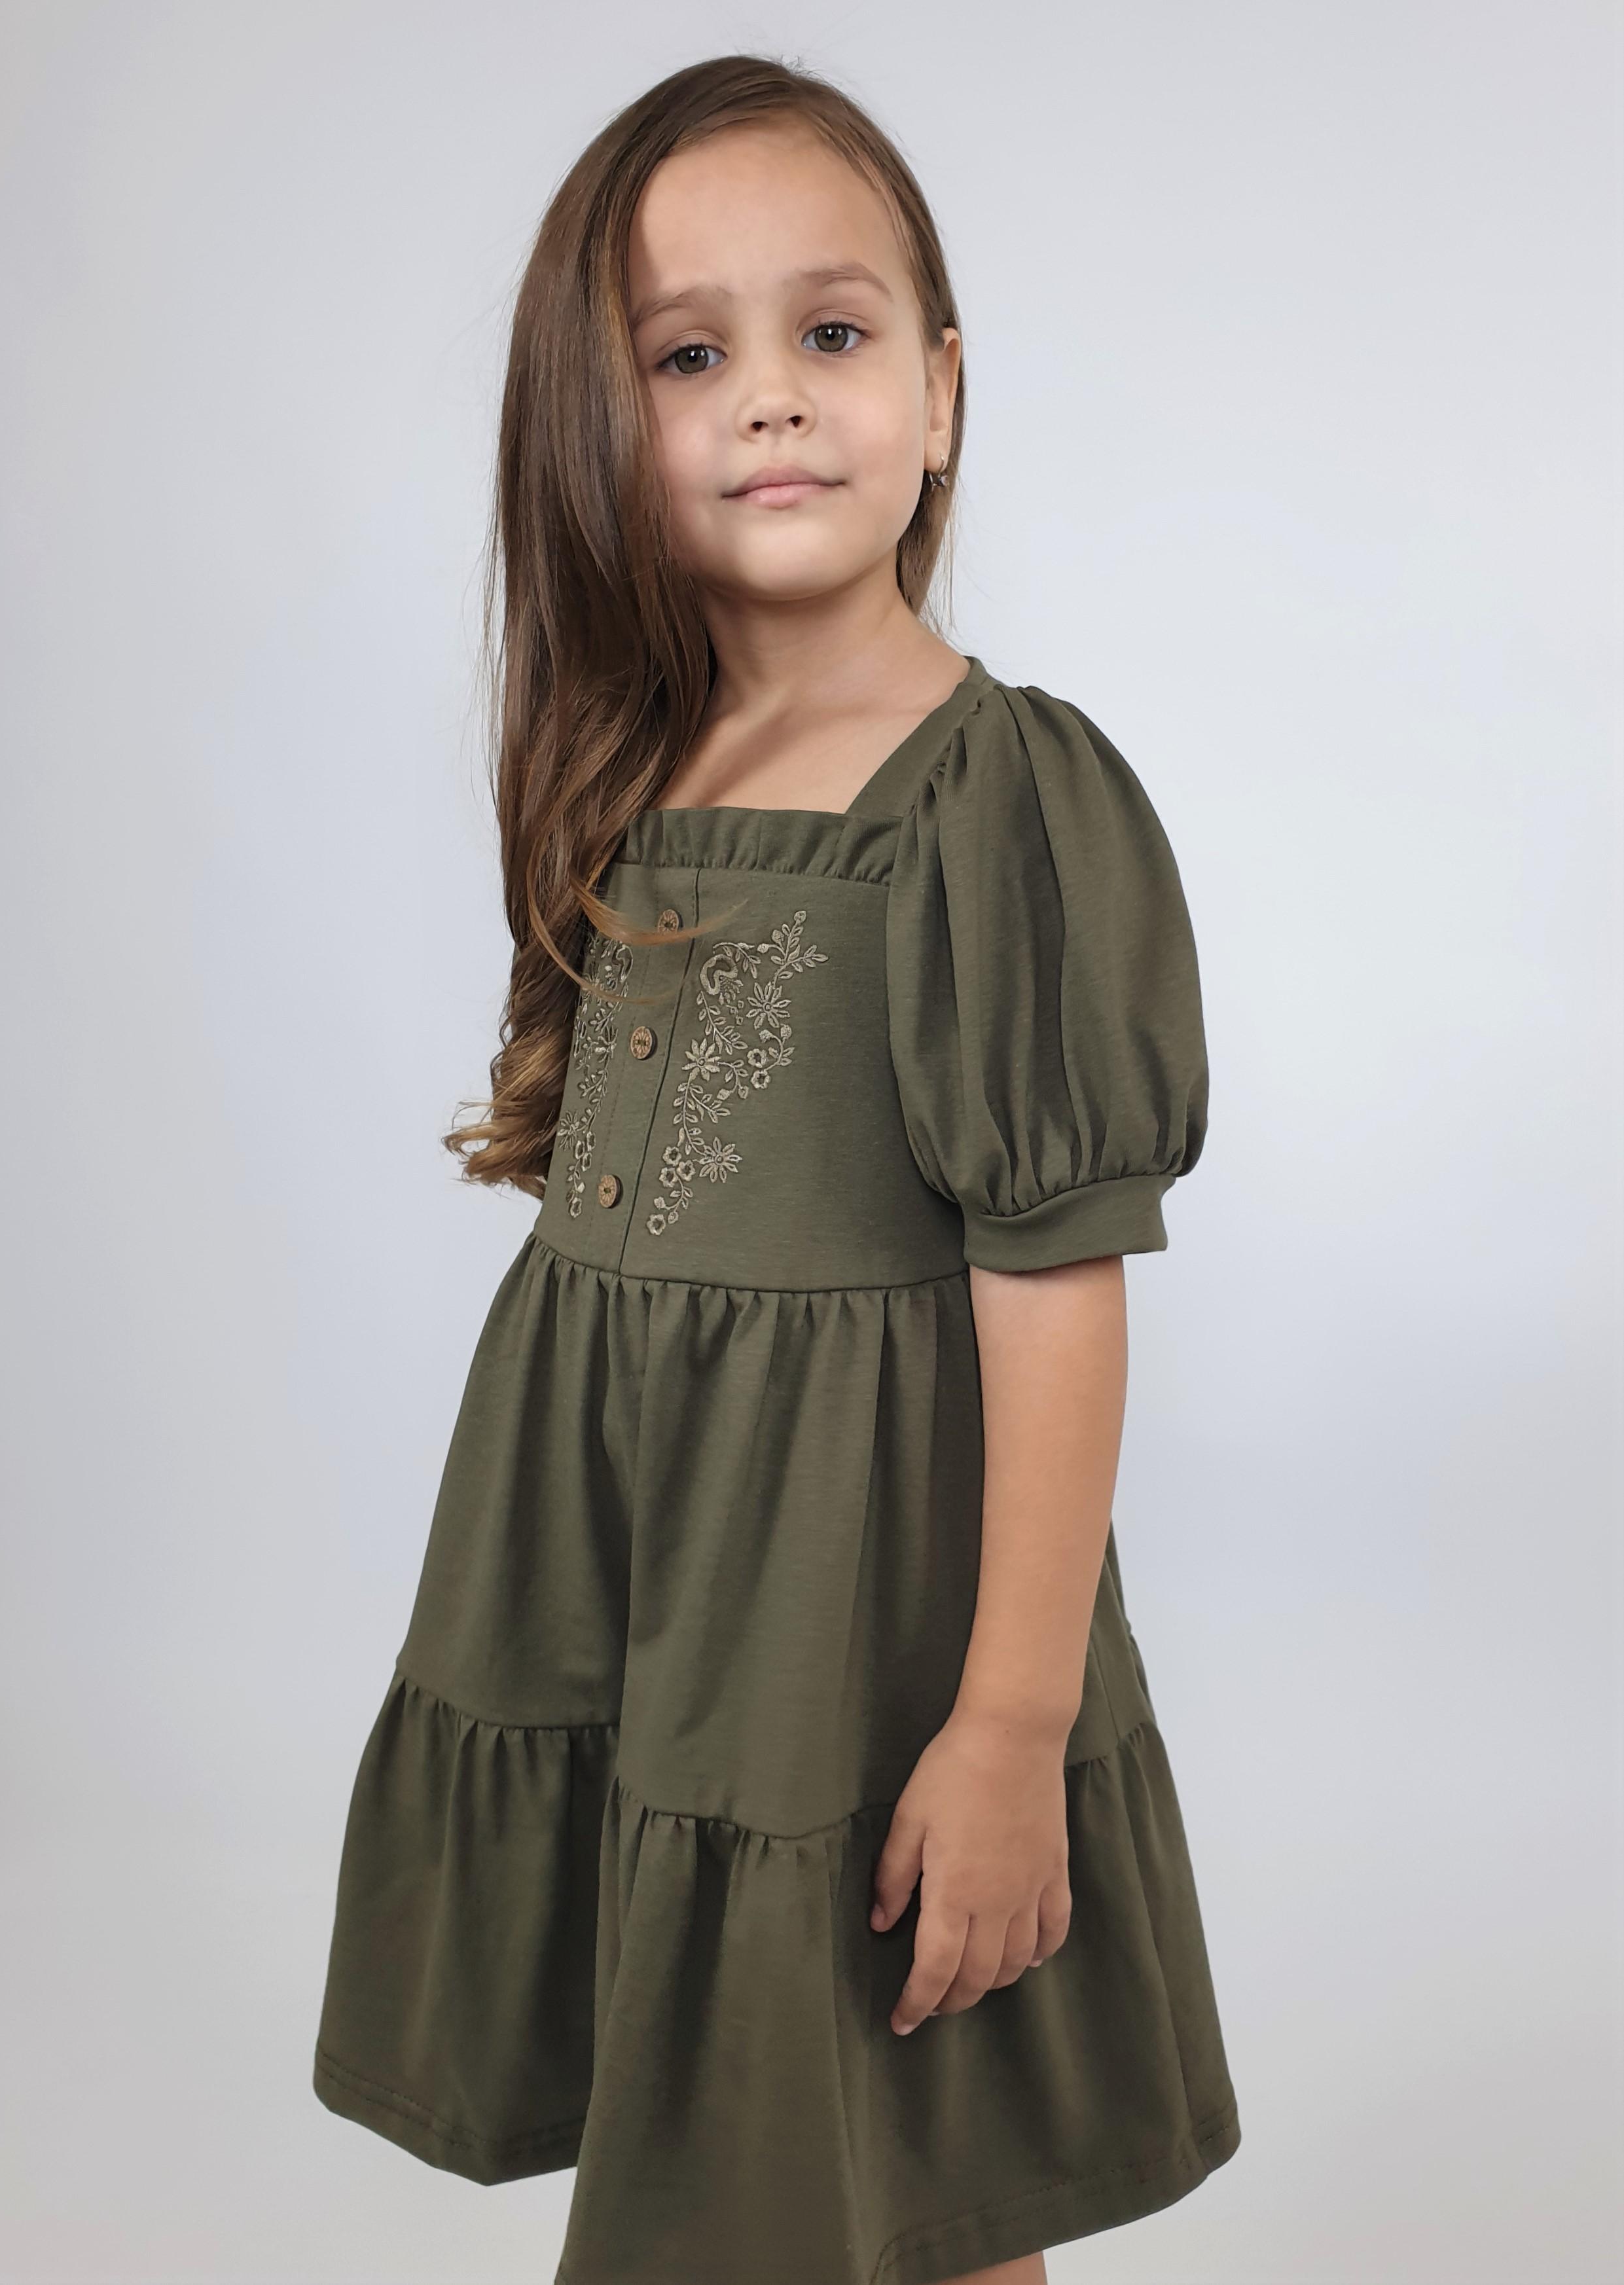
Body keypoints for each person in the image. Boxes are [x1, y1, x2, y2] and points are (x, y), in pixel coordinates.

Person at [312, 52, 1240, 2285]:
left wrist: (1009, 1719)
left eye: (829, 332)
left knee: (913, 2119)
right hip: (651, 1570)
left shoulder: (993, 790)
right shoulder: (642, 758)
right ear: (594, 423)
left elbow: (1052, 1274)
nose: (770, 400)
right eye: (686, 356)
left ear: (939, 389)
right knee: (772, 2125)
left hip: (854, 1589)